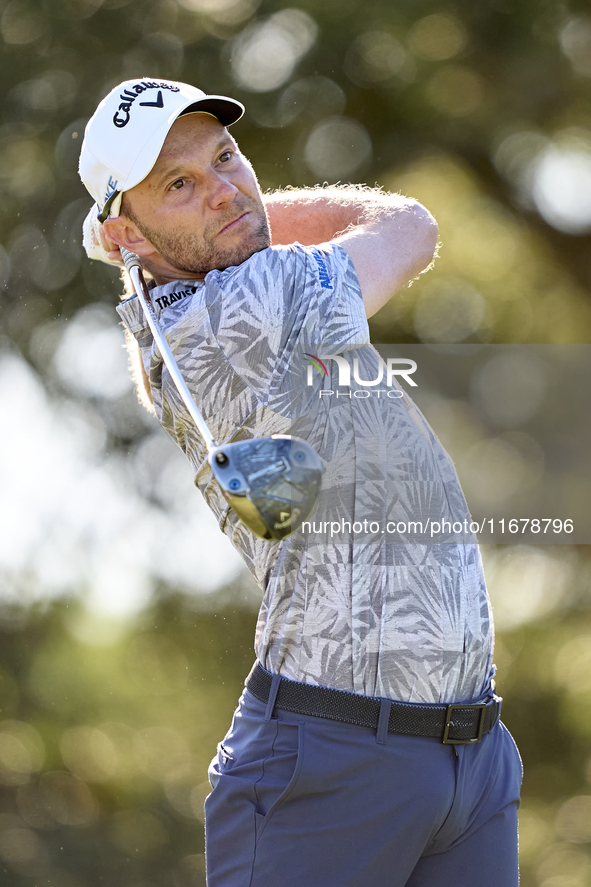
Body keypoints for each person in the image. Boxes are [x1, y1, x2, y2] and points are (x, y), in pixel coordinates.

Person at [78, 77, 523, 887]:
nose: (224, 189)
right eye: (178, 184)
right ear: (126, 237)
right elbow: (408, 225)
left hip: (469, 752)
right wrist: (242, 214)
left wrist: (212, 212)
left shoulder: (174, 317)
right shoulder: (252, 304)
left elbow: (196, 243)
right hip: (333, 762)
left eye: (225, 157)